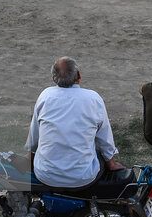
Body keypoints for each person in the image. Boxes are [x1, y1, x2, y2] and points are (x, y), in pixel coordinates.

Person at [25, 57, 125, 189]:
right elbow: (104, 138)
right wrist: (111, 164)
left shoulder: (45, 96)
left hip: (45, 175)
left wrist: (29, 158)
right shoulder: (93, 98)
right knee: (97, 151)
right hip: (82, 177)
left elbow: (35, 136)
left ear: (54, 78)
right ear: (78, 75)